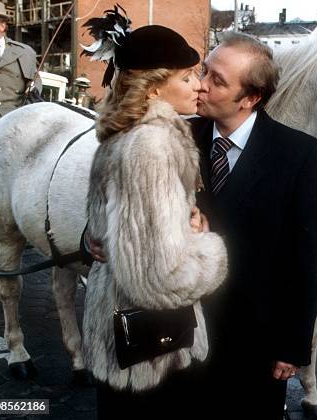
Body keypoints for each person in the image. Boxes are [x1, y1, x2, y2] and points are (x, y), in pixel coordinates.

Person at [83, 24, 228, 419]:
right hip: (152, 355)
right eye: (186, 77)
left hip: (120, 336)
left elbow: (105, 229)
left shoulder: (122, 135)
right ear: (153, 89)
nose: (198, 85)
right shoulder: (153, 146)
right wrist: (208, 248)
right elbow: (159, 281)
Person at [191, 32, 317, 418]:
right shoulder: (177, 137)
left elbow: (305, 256)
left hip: (255, 343)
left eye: (217, 80)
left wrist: (293, 344)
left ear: (250, 98)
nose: (201, 84)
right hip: (182, 334)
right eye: (205, 71)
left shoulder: (298, 154)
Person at [0, 0, 39, 148]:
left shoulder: (25, 52)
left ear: (2, 26)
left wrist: (33, 88)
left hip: (16, 124)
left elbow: (36, 80)